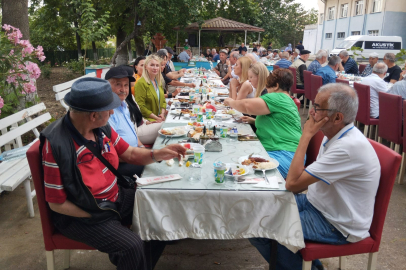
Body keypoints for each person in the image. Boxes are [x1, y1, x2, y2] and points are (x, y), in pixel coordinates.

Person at [40, 77, 187, 270]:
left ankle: (135, 264)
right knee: (131, 246)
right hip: (82, 214)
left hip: (114, 199)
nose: (112, 112)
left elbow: (130, 153)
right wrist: (99, 214)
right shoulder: (57, 144)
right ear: (93, 115)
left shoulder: (102, 128)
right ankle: (131, 259)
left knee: (162, 212)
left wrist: (158, 154)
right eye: (109, 109)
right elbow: (57, 204)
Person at [249, 83, 380, 270]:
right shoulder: (334, 133)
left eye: (317, 108)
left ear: (337, 117)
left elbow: (292, 184)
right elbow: (297, 183)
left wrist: (306, 135)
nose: (311, 112)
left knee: (258, 226)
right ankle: (308, 266)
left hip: (337, 224)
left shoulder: (347, 147)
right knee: (255, 211)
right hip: (317, 204)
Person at [224, 68, 302, 178]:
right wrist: (255, 121)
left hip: (284, 153)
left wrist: (231, 102)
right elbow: (279, 124)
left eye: (268, 86)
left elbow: (246, 106)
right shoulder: (286, 99)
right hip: (286, 151)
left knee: (243, 172)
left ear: (276, 86)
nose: (266, 90)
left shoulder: (278, 97)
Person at [105, 66, 147, 178]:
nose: (123, 89)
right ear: (107, 87)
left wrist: (142, 148)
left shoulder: (123, 106)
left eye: (125, 85)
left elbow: (133, 134)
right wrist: (139, 156)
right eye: (118, 84)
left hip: (134, 154)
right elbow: (111, 154)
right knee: (154, 167)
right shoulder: (107, 113)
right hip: (121, 163)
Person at [121, 65, 162, 145]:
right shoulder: (122, 99)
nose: (135, 78)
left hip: (142, 125)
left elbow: (137, 113)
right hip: (136, 132)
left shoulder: (130, 96)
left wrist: (146, 121)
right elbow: (141, 108)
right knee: (165, 126)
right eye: (133, 76)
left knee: (166, 123)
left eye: (158, 66)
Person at [134, 54, 167, 122]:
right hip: (148, 120)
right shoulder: (141, 83)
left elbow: (163, 101)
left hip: (160, 117)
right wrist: (156, 118)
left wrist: (162, 114)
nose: (155, 68)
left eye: (157, 65)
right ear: (146, 67)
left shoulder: (158, 81)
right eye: (152, 65)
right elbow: (141, 106)